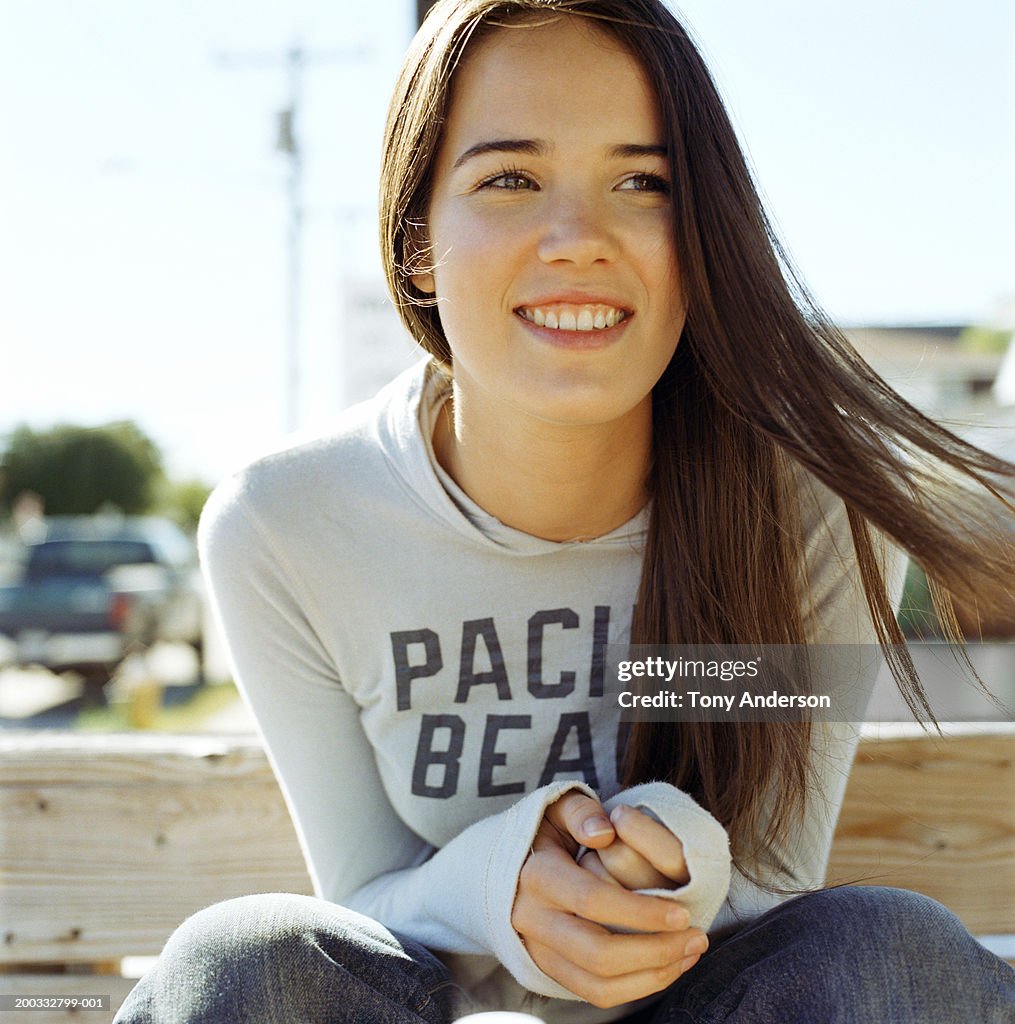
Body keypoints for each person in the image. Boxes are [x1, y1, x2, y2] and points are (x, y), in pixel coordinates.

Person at [114, 0, 1015, 1021]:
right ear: (414, 238)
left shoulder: (806, 508)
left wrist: (685, 855)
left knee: (887, 950)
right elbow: (361, 901)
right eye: (510, 178)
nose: (579, 238)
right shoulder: (287, 526)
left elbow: (777, 900)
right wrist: (504, 881)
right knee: (243, 959)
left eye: (643, 182)